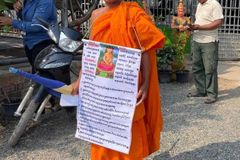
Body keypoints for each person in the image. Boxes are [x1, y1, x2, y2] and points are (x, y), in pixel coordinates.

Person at [71, 0, 166, 159]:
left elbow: (145, 49)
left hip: (126, 84)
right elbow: (91, 53)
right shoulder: (95, 15)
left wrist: (146, 83)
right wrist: (80, 80)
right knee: (102, 126)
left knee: (128, 125)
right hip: (101, 84)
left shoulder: (133, 13)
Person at [0, 0, 57, 73]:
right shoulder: (28, 1)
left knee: (45, 75)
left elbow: (36, 26)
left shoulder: (45, 2)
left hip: (43, 43)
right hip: (30, 43)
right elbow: (27, 19)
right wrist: (19, 10)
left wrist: (12, 22)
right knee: (37, 74)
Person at [188, 0, 224, 104]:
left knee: (210, 69)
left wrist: (199, 27)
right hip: (196, 40)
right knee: (197, 67)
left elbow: (218, 22)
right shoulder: (199, 5)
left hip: (209, 41)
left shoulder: (214, 4)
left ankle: (212, 94)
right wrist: (191, 26)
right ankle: (201, 90)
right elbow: (199, 21)